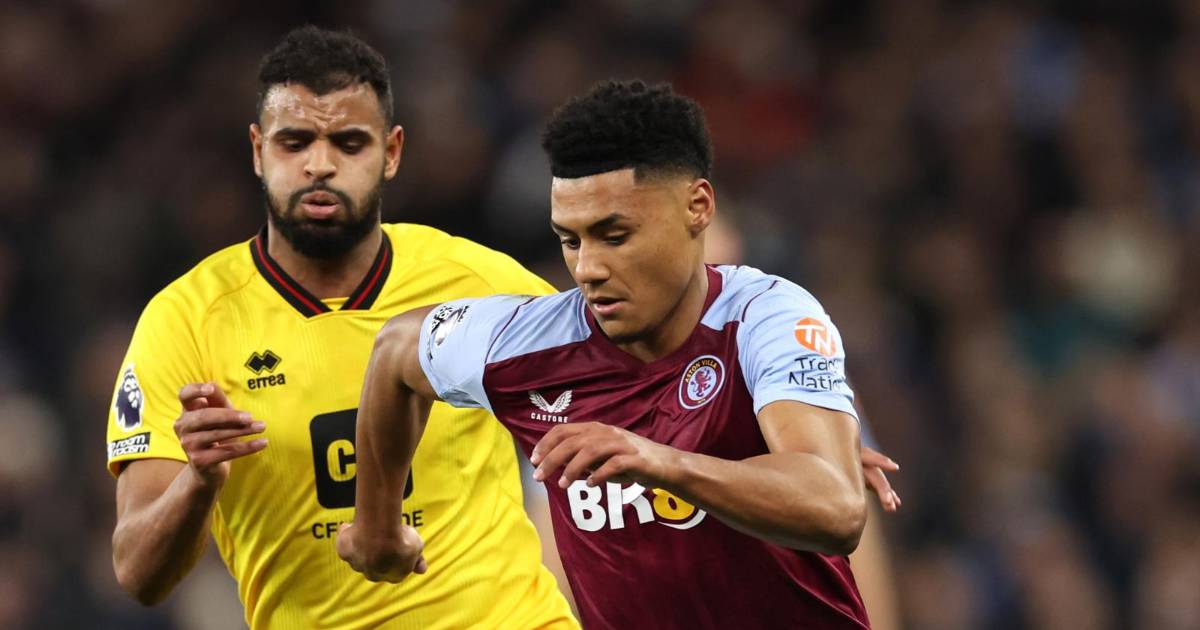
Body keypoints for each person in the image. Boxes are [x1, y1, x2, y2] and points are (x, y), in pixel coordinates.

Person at [339, 80, 890, 628]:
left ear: (697, 207)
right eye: (571, 240)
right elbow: (396, 351)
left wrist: (657, 461)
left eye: (615, 235)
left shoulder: (766, 317)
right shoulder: (526, 344)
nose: (588, 269)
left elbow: (837, 510)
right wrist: (377, 528)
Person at [104, 26, 578, 629]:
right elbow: (138, 574)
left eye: (349, 143)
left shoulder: (481, 283)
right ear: (258, 150)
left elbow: (623, 400)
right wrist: (197, 483)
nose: (320, 165)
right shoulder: (187, 320)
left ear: (392, 152)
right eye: (294, 142)